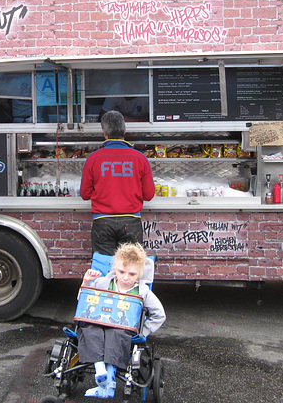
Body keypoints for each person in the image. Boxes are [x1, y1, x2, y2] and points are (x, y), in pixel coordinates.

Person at [77, 243, 166, 398]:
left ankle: (108, 385)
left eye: (132, 274)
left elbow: (159, 315)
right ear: (114, 269)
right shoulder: (104, 282)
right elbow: (82, 300)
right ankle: (100, 370)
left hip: (123, 329)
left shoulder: (143, 291)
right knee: (87, 329)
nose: (125, 277)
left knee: (115, 334)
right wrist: (86, 282)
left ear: (139, 273)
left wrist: (143, 332)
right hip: (98, 323)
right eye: (121, 272)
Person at [80, 111, 156, 256]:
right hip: (131, 221)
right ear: (124, 131)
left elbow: (84, 194)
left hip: (102, 221)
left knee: (104, 269)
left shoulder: (93, 159)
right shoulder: (140, 158)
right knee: (130, 269)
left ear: (104, 133)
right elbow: (149, 195)